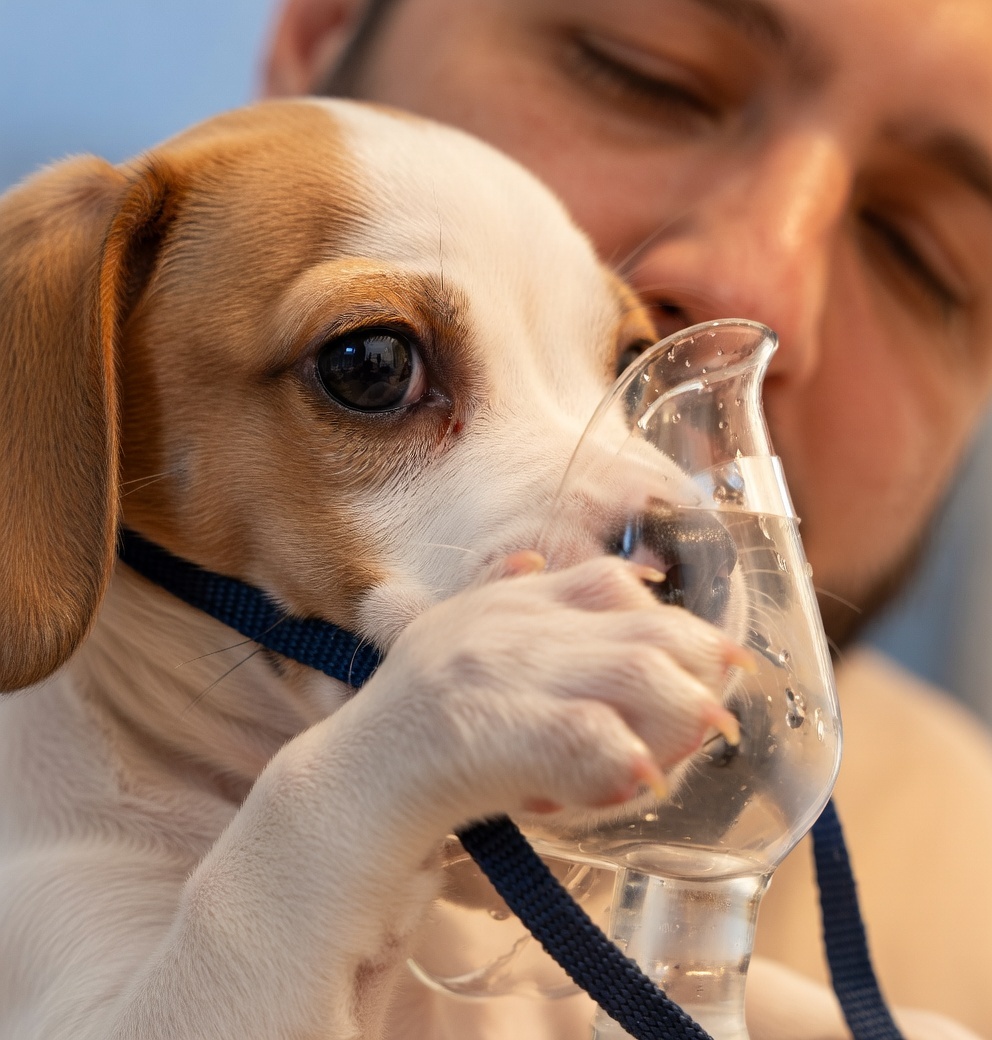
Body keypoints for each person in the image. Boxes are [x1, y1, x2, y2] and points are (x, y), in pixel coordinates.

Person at [262, 0, 992, 1034]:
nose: (755, 285)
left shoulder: (967, 904)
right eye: (643, 73)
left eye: (918, 250)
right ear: (321, 38)